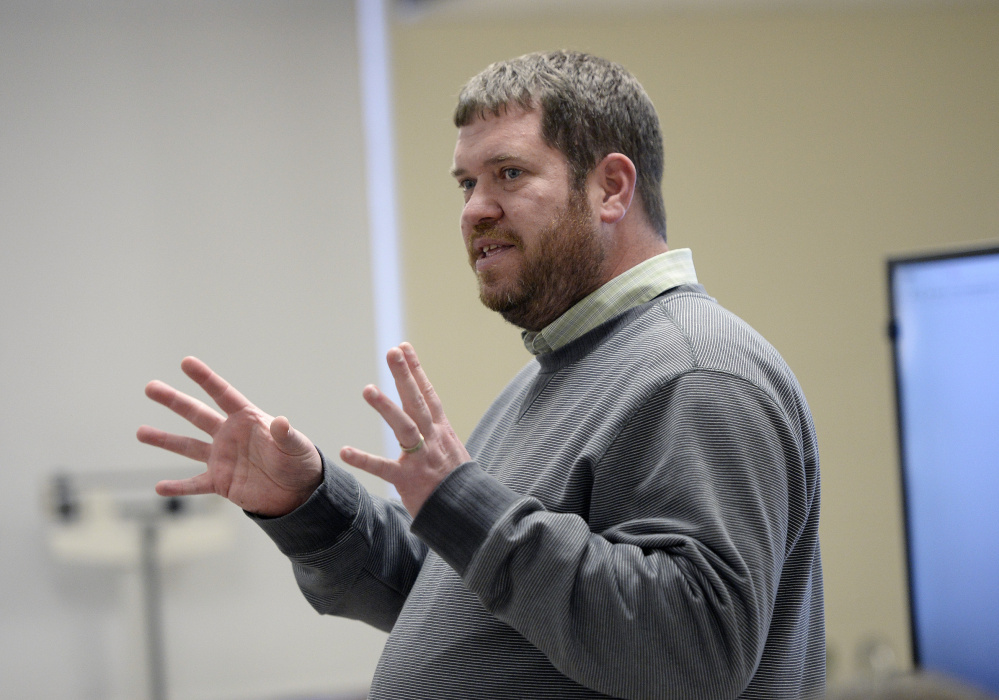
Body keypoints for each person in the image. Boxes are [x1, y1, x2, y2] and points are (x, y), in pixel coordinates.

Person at [138, 50, 824, 699]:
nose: (473, 210)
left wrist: (466, 506)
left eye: (509, 175)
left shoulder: (692, 370)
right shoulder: (552, 378)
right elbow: (471, 595)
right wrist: (310, 505)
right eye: (467, 183)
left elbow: (690, 648)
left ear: (611, 187)